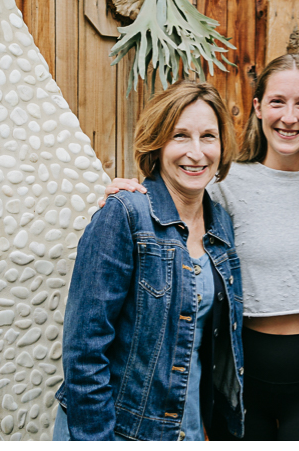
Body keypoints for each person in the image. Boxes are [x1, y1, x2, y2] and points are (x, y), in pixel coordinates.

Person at [103, 54, 299, 441]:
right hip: (239, 380)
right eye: (278, 101)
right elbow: (175, 200)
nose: (290, 116)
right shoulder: (225, 183)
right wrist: (129, 190)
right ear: (258, 107)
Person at [53, 79, 244, 441]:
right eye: (180, 136)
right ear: (157, 144)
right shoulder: (125, 214)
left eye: (208, 136)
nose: (196, 152)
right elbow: (84, 352)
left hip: (183, 429)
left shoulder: (221, 225)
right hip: (118, 431)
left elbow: (206, 347)